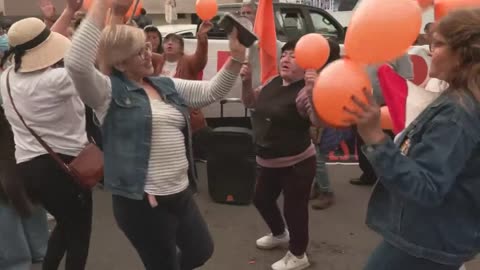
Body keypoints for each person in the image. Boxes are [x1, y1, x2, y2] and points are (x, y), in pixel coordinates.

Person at [64, 0, 246, 269]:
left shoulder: (165, 84)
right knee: (163, 263)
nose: (149, 54)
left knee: (201, 250)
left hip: (180, 193)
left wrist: (236, 57)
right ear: (121, 64)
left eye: (147, 47)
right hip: (142, 202)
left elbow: (212, 92)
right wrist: (102, 4)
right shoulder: (107, 93)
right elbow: (78, 65)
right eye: (139, 53)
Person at [346, 8, 480, 270]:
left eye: (439, 44)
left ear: (462, 52)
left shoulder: (457, 112)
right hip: (439, 236)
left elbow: (425, 187)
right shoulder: (460, 100)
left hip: (427, 241)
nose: (431, 51)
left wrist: (375, 137)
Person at [0, 1, 92, 269]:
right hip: (65, 167)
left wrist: (69, 12)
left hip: (29, 168)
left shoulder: (6, 80)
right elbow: (85, 59)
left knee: (65, 224)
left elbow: (42, 43)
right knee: (79, 235)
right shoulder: (57, 80)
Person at [241, 40, 320, 270]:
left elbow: (317, 121)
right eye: (284, 54)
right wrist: (246, 82)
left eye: (293, 56)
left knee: (294, 209)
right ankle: (279, 234)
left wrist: (314, 94)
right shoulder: (272, 82)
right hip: (268, 160)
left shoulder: (304, 92)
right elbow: (250, 103)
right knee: (261, 199)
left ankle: (298, 255)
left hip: (297, 163)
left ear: (306, 65)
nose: (285, 59)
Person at [350, 54, 413, 186]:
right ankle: (368, 174)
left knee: (386, 142)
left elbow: (407, 80)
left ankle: (386, 178)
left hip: (388, 107)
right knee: (363, 141)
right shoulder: (362, 51)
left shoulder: (399, 52)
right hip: (363, 105)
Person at [309, 39, 341, 210]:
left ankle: (327, 193)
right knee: (315, 156)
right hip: (323, 119)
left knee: (318, 158)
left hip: (328, 120)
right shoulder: (323, 69)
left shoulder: (332, 72)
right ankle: (318, 186)